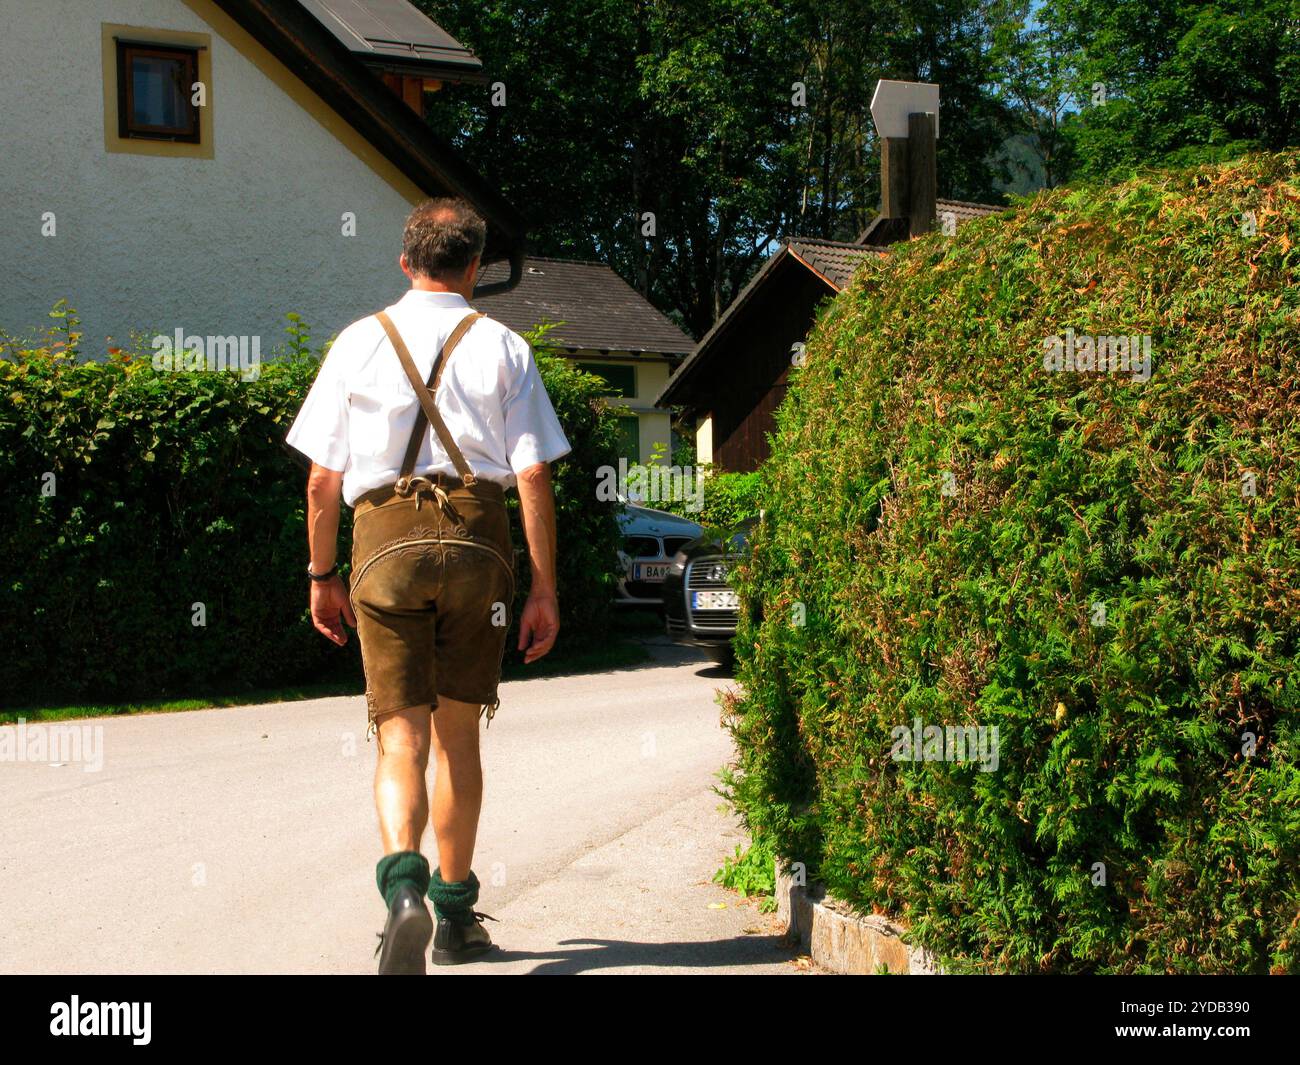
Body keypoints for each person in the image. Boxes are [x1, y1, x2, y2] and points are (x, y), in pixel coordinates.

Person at [285, 197, 570, 973]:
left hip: (382, 549)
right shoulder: (505, 345)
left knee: (399, 734)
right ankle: (454, 916)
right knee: (458, 735)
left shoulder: (356, 343)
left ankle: (401, 888)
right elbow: (534, 471)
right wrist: (543, 587)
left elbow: (320, 481)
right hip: (480, 547)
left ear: (405, 260)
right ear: (475, 268)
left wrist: (322, 575)